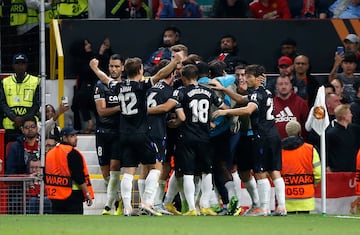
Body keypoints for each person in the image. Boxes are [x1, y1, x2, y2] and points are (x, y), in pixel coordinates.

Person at [89, 53, 182, 216]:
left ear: (124, 70)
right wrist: (174, 62)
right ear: (140, 70)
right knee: (155, 167)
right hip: (141, 133)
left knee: (129, 171)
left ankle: (127, 207)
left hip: (123, 134)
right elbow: (160, 74)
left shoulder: (119, 86)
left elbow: (105, 79)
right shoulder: (142, 85)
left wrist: (95, 68)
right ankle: (146, 202)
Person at [148, 64, 227, 216]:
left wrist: (174, 122)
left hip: (187, 136)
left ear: (183, 77)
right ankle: (204, 205)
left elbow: (181, 117)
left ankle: (191, 208)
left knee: (188, 173)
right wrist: (214, 120)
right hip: (205, 136)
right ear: (197, 76)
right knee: (206, 172)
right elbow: (224, 107)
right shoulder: (208, 91)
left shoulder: (181, 91)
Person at [212, 64, 286, 216]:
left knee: (260, 172)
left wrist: (224, 112)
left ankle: (263, 208)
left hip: (262, 136)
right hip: (273, 134)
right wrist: (224, 89)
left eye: (248, 76)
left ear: (257, 78)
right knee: (274, 171)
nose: (245, 79)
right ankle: (281, 207)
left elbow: (247, 110)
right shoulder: (266, 92)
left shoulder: (256, 94)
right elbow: (240, 98)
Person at [94, 54, 124, 215]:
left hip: (119, 133)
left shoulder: (126, 85)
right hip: (102, 133)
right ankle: (118, 200)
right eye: (111, 66)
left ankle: (108, 205)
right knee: (105, 173)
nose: (113, 69)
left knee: (114, 168)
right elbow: (101, 111)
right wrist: (121, 106)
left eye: (117, 66)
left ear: (122, 68)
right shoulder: (100, 85)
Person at [45, 127, 94, 214]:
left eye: (75, 135)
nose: (76, 138)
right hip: (72, 195)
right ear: (64, 138)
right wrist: (87, 193)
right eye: (72, 136)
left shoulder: (50, 153)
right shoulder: (72, 153)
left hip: (55, 196)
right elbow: (79, 177)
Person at [71, 38, 112, 133]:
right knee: (82, 95)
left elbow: (104, 65)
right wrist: (100, 53)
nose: (89, 45)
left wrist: (106, 50)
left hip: (99, 86)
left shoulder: (93, 55)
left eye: (88, 43)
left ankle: (100, 124)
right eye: (86, 44)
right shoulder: (78, 60)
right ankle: (89, 122)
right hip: (85, 88)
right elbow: (88, 71)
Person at [281, 120, 321, 214]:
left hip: (286, 199)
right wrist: (313, 183)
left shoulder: (279, 150)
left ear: (287, 132)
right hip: (306, 199)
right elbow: (318, 173)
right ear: (300, 132)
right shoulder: (310, 149)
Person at [0, 53, 40, 145]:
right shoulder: (5, 82)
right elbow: (2, 102)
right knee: (9, 153)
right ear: (13, 65)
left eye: (22, 63)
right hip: (10, 126)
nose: (20, 66)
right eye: (17, 63)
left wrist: (23, 120)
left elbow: (37, 104)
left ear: (26, 65)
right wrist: (14, 118)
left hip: (30, 127)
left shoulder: (35, 81)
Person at [326, 104, 360, 172]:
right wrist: (327, 166)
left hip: (353, 169)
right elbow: (326, 151)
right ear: (344, 116)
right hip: (337, 170)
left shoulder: (355, 129)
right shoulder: (331, 133)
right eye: (349, 113)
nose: (351, 115)